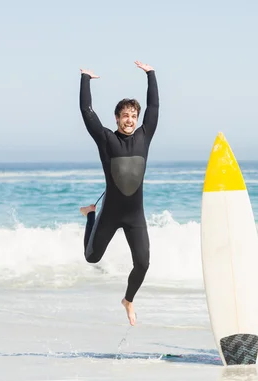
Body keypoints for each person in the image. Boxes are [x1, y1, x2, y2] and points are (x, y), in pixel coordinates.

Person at [78, 60, 159, 325]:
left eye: (133, 116)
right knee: (92, 257)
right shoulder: (106, 139)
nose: (130, 120)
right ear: (117, 118)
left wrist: (151, 74)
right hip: (111, 213)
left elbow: (154, 107)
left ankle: (128, 300)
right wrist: (86, 79)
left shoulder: (144, 136)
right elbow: (86, 110)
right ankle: (90, 215)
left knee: (144, 264)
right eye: (125, 115)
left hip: (135, 216)